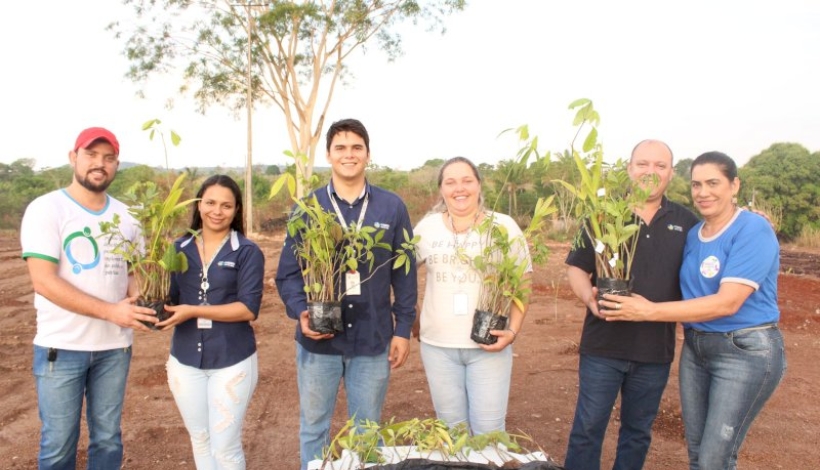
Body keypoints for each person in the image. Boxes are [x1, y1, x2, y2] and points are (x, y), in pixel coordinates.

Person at [600, 151, 786, 470]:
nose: (703, 192)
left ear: (734, 185)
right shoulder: (694, 235)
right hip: (697, 349)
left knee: (715, 457)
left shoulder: (752, 228)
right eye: (696, 184)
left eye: (713, 183)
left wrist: (647, 311)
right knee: (699, 454)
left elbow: (728, 302)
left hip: (744, 349)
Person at [275, 118, 418, 470]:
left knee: (367, 431)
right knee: (314, 428)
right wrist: (301, 311)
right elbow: (288, 273)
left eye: (357, 147)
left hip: (373, 339)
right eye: (340, 147)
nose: (348, 154)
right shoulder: (308, 207)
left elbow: (405, 275)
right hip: (318, 342)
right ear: (328, 155)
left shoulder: (391, 207)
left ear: (368, 154)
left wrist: (403, 329)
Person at [20, 127, 158, 469]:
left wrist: (143, 302)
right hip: (61, 347)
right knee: (58, 445)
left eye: (108, 158)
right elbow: (43, 281)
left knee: (108, 439)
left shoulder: (128, 217)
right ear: (74, 157)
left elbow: (132, 273)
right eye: (91, 155)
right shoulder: (46, 209)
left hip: (115, 348)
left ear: (116, 165)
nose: (100, 163)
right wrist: (111, 312)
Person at [563, 139, 700, 470]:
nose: (650, 172)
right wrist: (589, 297)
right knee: (587, 429)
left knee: (637, 433)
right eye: (643, 164)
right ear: (629, 169)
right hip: (603, 345)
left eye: (660, 165)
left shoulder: (687, 222)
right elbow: (577, 268)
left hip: (654, 351)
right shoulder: (602, 215)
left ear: (671, 173)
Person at [412, 156, 528, 434]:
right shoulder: (426, 228)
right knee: (453, 432)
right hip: (438, 347)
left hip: (489, 347)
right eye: (450, 182)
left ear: (479, 185)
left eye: (467, 180)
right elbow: (401, 275)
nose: (459, 188)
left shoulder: (503, 226)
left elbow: (523, 280)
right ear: (441, 189)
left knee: (489, 431)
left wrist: (512, 331)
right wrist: (413, 318)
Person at [156, 174, 264, 469]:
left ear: (237, 209)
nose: (217, 211)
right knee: (201, 439)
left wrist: (193, 311)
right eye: (210, 203)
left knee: (225, 447)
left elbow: (248, 309)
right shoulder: (178, 249)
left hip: (232, 360)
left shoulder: (246, 251)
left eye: (226, 206)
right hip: (185, 360)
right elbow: (168, 297)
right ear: (198, 205)